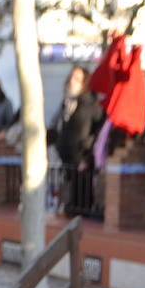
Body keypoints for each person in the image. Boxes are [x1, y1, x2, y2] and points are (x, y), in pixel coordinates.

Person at [47, 66, 104, 217]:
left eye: (77, 79)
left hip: (81, 163)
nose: (72, 81)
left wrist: (87, 156)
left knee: (80, 206)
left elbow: (97, 132)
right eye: (72, 77)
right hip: (64, 161)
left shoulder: (91, 104)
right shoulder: (67, 103)